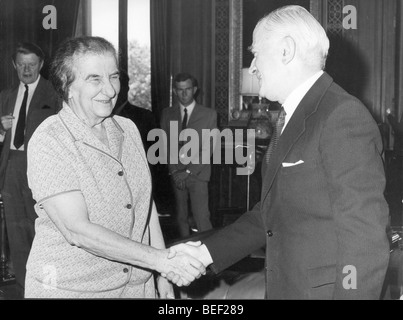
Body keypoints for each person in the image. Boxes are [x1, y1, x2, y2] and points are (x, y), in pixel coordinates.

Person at [169, 5, 390, 299]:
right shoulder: (292, 116)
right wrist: (206, 252)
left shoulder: (341, 115)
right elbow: (270, 214)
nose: (254, 66)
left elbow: (364, 238)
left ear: (286, 50)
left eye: (256, 52)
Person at [24, 36, 205, 299]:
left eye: (114, 76)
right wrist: (162, 261)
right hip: (73, 289)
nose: (110, 90)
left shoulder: (128, 129)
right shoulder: (51, 138)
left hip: (137, 287)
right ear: (67, 85)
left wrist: (162, 275)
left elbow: (146, 206)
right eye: (95, 79)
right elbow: (77, 230)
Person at [0, 42, 60, 298]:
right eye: (22, 64)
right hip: (11, 166)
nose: (26, 69)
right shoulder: (5, 96)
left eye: (32, 64)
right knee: (16, 232)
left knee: (44, 231)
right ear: (14, 65)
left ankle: (47, 289)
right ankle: (26, 290)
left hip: (42, 168)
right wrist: (2, 130)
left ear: (41, 65)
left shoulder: (55, 94)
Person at [160, 73, 217, 238]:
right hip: (177, 175)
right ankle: (185, 255)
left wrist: (189, 171)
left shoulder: (209, 114)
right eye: (180, 90)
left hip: (198, 174)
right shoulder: (167, 114)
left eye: (188, 89)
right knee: (181, 217)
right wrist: (175, 172)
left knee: (202, 218)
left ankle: (209, 257)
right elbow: (165, 146)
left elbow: (208, 148)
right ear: (174, 91)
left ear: (195, 90)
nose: (184, 94)